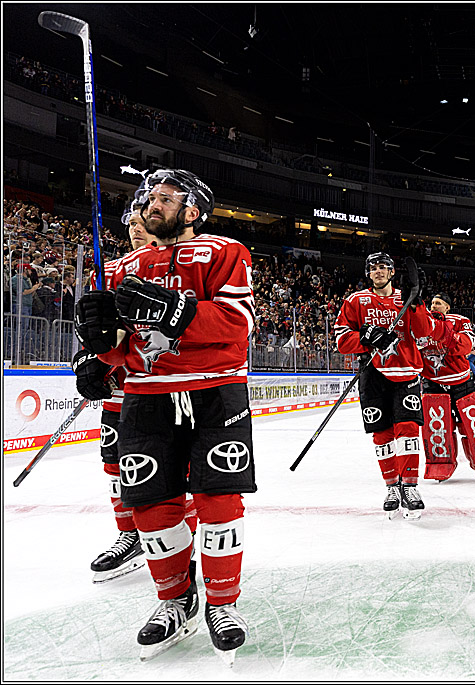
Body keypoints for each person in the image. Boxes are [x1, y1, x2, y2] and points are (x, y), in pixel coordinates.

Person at [79, 168, 255, 663]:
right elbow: (119, 347)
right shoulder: (121, 268)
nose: (152, 204)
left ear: (193, 209)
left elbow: (238, 323)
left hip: (215, 390)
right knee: (152, 508)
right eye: (149, 198)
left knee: (218, 500)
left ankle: (223, 603)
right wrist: (96, 353)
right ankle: (176, 600)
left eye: (165, 198)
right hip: (145, 397)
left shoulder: (224, 251)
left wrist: (177, 310)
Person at [73, 199, 199, 585]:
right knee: (117, 464)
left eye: (143, 221)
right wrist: (87, 360)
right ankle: (130, 535)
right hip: (121, 393)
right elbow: (91, 331)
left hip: (169, 389)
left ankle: (184, 539)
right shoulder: (110, 272)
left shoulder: (184, 269)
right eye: (130, 223)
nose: (135, 228)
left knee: (179, 470)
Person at [334, 253, 453, 520]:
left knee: (407, 430)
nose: (378, 271)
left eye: (383, 267)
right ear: (368, 273)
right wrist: (366, 337)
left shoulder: (406, 298)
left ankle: (409, 486)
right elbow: (342, 340)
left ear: (391, 272)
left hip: (407, 372)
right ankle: (391, 487)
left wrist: (417, 302)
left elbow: (424, 332)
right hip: (373, 374)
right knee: (382, 434)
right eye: (373, 268)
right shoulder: (356, 301)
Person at [419, 292, 475, 481]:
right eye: (432, 303)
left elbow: (465, 346)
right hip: (433, 383)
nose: (433, 306)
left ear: (447, 307)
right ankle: (440, 464)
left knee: (473, 424)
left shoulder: (460, 321)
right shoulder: (422, 322)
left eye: (438, 303)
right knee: (438, 428)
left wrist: (440, 330)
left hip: (460, 382)